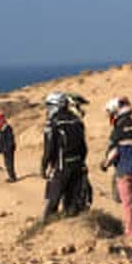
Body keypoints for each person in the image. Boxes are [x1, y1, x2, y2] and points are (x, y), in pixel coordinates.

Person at [101, 96, 132, 240]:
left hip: (124, 172)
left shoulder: (117, 131)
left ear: (115, 113)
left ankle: (131, 232)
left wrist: (105, 164)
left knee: (127, 203)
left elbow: (113, 153)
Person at [41, 92, 89, 222]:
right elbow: (84, 147)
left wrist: (44, 166)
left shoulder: (53, 123)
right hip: (77, 165)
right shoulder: (76, 120)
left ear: (56, 105)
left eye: (49, 105)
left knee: (53, 199)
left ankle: (47, 230)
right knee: (72, 201)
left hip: (62, 166)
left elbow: (49, 148)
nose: (48, 109)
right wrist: (82, 163)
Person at [0, 111, 17, 182]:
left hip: (9, 149)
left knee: (9, 163)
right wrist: (0, 148)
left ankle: (12, 177)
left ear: (1, 120)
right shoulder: (2, 129)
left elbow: (10, 139)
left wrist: (9, 147)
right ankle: (11, 176)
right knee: (6, 163)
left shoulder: (7, 128)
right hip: (5, 149)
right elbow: (1, 140)